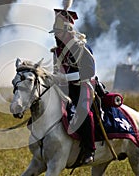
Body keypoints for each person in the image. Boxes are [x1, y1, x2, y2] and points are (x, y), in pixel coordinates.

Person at [50, 9, 96, 164]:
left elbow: (89, 71)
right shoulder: (56, 52)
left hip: (82, 87)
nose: (56, 36)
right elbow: (55, 71)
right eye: (55, 33)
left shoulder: (81, 48)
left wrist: (65, 77)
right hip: (62, 89)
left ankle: (90, 149)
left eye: (58, 32)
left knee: (84, 112)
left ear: (67, 32)